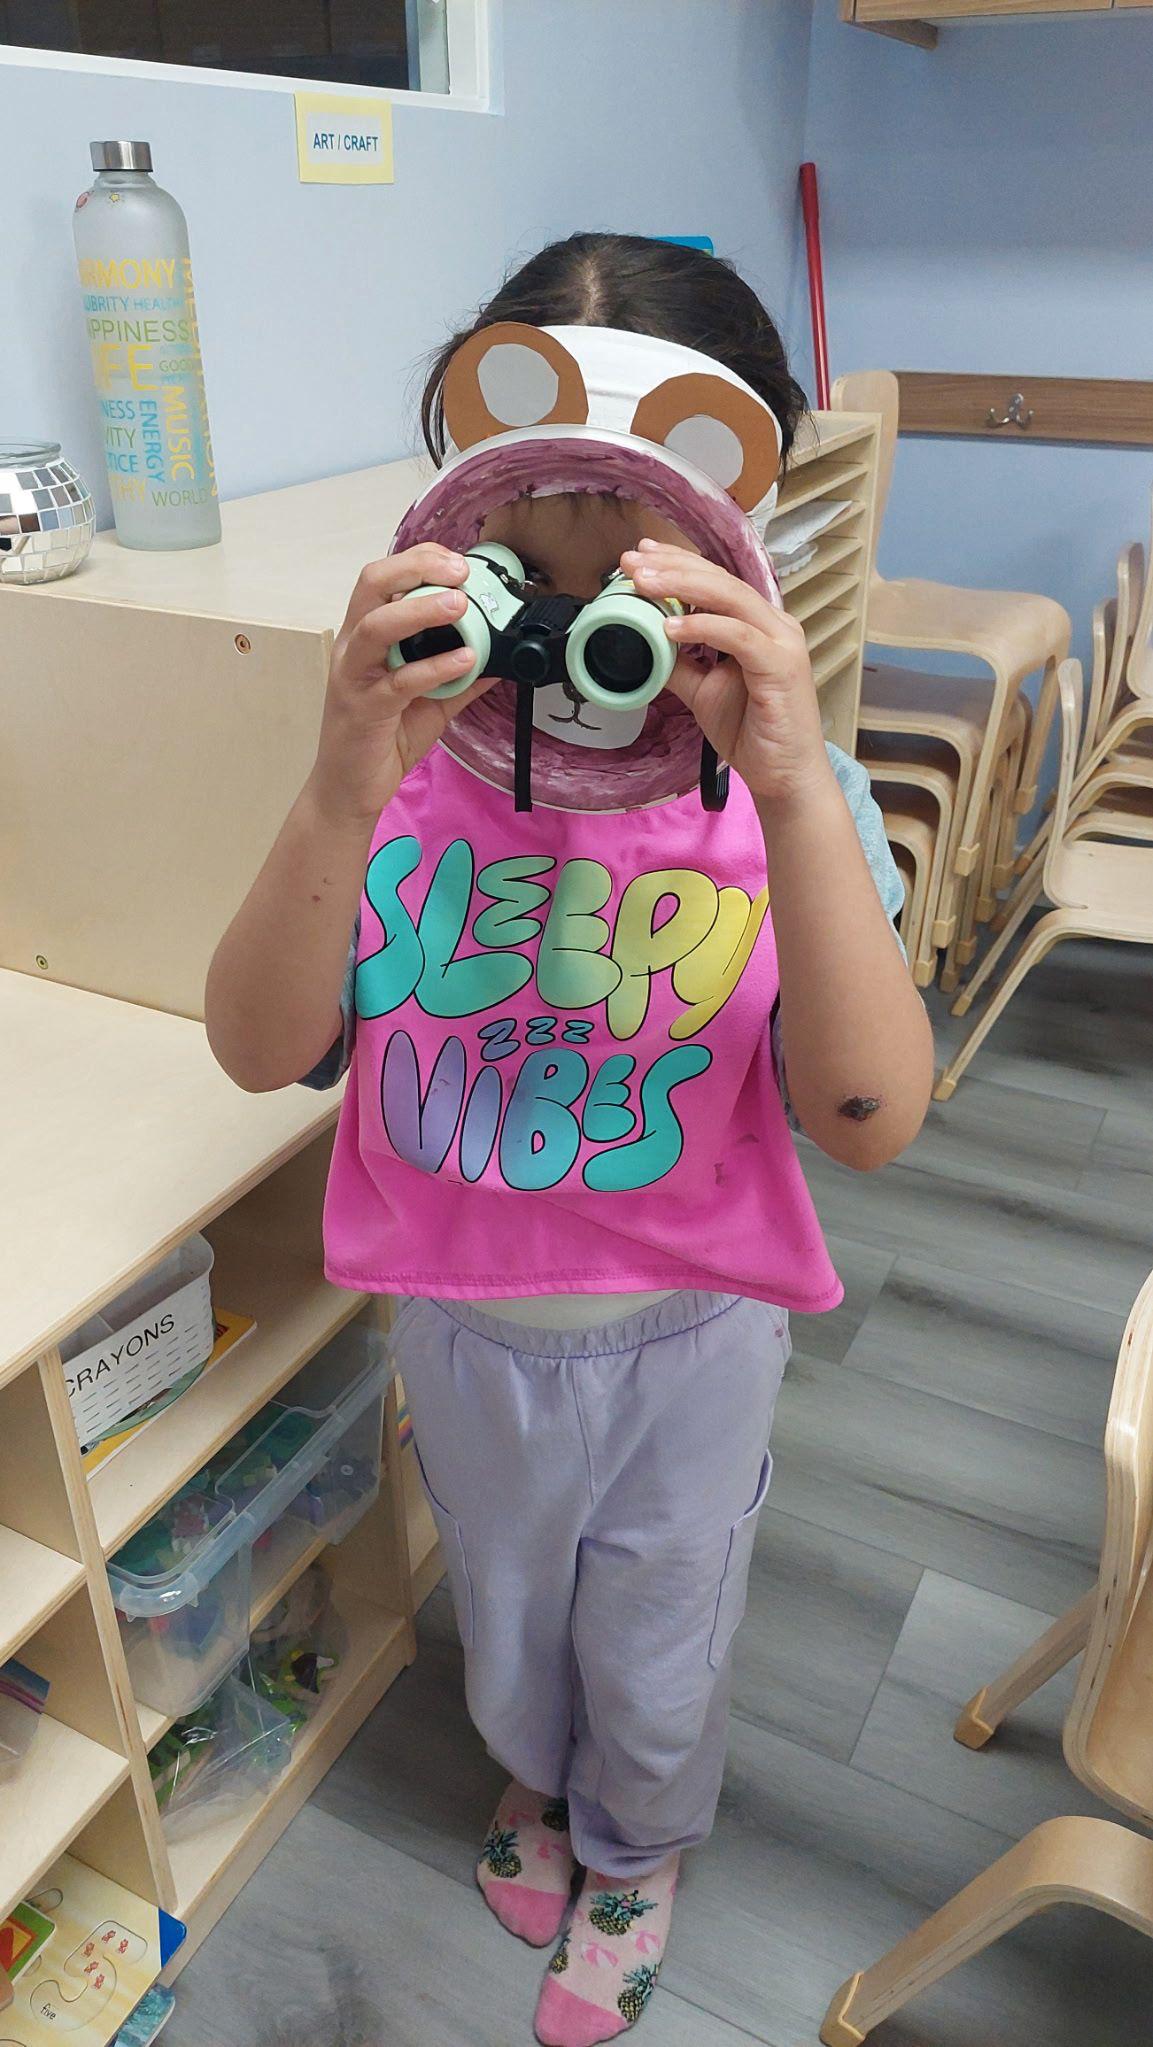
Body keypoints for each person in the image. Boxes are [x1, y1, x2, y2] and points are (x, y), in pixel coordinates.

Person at [206, 233, 933, 2047]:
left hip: (693, 1332)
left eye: (636, 600)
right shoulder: (397, 776)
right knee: (508, 1594)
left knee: (662, 1613)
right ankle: (540, 1785)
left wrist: (778, 779)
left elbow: (869, 1117)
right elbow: (254, 1048)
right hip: (460, 1313)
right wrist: (339, 780)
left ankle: (638, 1842)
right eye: (519, 586)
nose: (574, 648)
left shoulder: (799, 805)